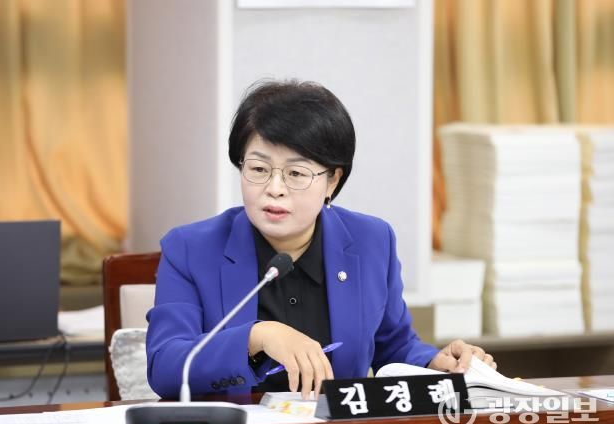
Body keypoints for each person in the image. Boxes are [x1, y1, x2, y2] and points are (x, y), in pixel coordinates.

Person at [146, 79, 496, 400]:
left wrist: (435, 363)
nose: (274, 188)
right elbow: (165, 367)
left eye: (296, 173)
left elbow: (394, 346)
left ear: (332, 181)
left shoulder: (371, 242)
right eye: (258, 169)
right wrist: (257, 337)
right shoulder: (190, 249)